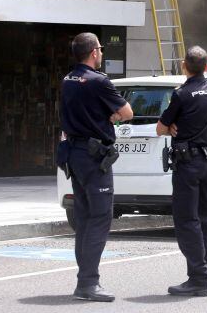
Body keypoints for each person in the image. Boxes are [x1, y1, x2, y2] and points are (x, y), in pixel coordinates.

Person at [59, 32, 133, 302]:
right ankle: (88, 283)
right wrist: (111, 118)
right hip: (93, 157)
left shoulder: (67, 80)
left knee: (85, 217)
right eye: (100, 49)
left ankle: (85, 280)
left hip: (74, 154)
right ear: (93, 52)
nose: (101, 53)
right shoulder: (99, 81)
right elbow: (127, 113)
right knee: (100, 217)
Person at [156, 46, 207, 297]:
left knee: (186, 220)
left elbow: (160, 129)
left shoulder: (181, 94)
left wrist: (173, 126)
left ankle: (198, 277)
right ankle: (206, 269)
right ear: (206, 67)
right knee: (204, 218)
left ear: (184, 66)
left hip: (188, 165)